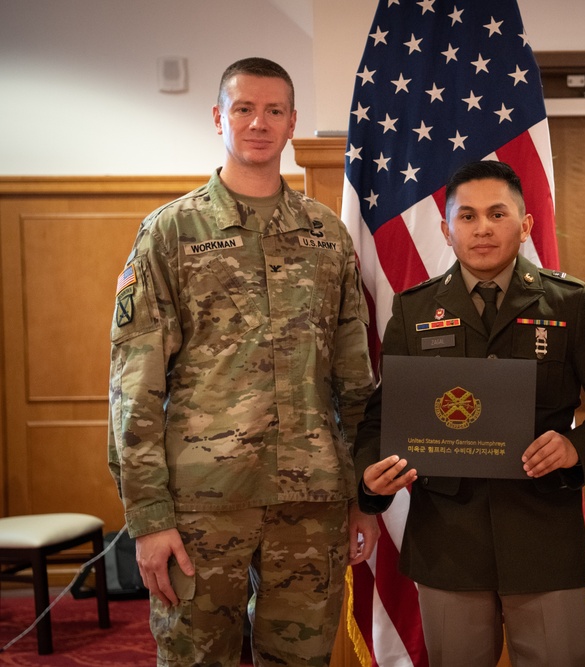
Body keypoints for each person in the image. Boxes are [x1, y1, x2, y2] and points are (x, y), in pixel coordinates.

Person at [107, 57, 379, 667]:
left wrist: (364, 495)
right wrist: (148, 518)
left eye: (274, 111)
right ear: (218, 118)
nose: (259, 122)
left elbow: (354, 377)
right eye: (244, 108)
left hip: (311, 502)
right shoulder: (170, 233)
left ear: (291, 125)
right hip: (202, 501)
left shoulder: (326, 234)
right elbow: (134, 388)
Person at [354, 160, 585, 667]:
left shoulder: (569, 304)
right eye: (466, 216)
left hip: (543, 536)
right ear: (446, 229)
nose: (482, 228)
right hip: (448, 541)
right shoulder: (412, 310)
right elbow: (383, 418)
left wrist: (576, 447)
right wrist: (369, 480)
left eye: (497, 213)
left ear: (525, 225)